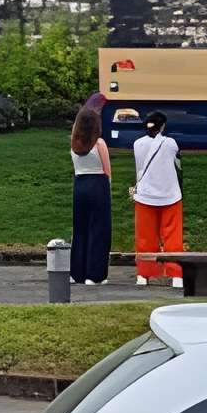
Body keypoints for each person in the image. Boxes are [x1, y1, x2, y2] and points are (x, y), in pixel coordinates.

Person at [128, 109, 184, 287]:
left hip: (145, 195)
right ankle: (176, 275)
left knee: (144, 237)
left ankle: (143, 274)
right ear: (163, 126)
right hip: (170, 195)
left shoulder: (137, 144)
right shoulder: (170, 143)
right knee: (173, 236)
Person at [65, 102, 114, 285]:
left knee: (80, 229)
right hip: (97, 183)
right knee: (99, 229)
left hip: (80, 184)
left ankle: (76, 272)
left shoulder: (74, 144)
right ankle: (95, 274)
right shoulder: (99, 143)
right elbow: (106, 170)